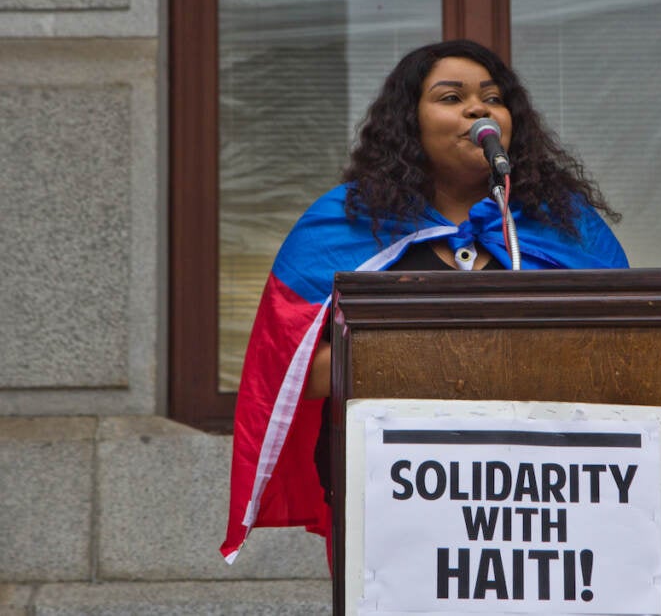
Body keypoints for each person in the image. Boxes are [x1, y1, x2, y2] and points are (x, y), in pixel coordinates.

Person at [220, 39, 628, 565]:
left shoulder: (563, 227)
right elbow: (294, 375)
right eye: (451, 97)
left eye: (492, 97)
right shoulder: (343, 226)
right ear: (409, 123)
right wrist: (437, 356)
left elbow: (625, 357)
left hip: (541, 502)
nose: (478, 108)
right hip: (398, 497)